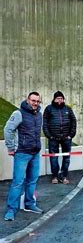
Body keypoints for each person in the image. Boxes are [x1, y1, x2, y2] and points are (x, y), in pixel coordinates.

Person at [4, 92, 44, 221]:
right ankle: (11, 209)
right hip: (22, 153)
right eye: (33, 100)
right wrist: (10, 147)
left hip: (35, 153)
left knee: (32, 181)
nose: (35, 103)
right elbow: (8, 129)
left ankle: (30, 203)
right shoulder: (18, 113)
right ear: (27, 100)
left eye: (38, 101)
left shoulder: (39, 115)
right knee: (18, 182)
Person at [43, 91, 77, 185]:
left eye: (61, 98)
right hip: (53, 138)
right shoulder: (49, 109)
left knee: (66, 158)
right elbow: (45, 123)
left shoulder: (68, 109)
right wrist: (49, 136)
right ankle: (55, 176)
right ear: (54, 99)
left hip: (66, 138)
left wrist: (71, 135)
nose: (59, 100)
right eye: (58, 98)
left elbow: (73, 122)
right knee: (53, 158)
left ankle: (63, 176)